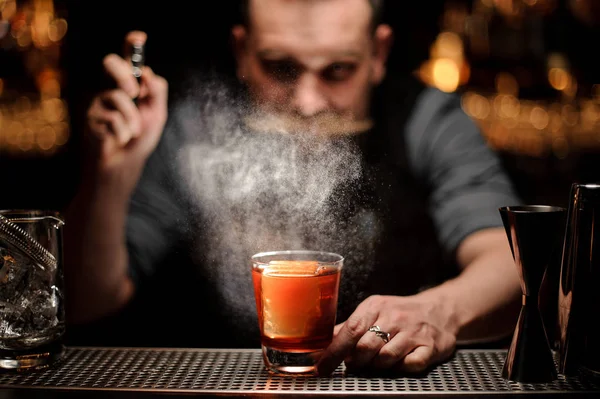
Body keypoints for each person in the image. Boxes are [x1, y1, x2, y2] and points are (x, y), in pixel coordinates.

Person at [63, 0, 522, 376]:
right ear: (242, 50)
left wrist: (439, 311)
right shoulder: (189, 127)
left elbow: (510, 263)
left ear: (379, 54)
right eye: (281, 68)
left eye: (338, 70)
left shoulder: (427, 120)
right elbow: (88, 300)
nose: (307, 102)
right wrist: (112, 174)